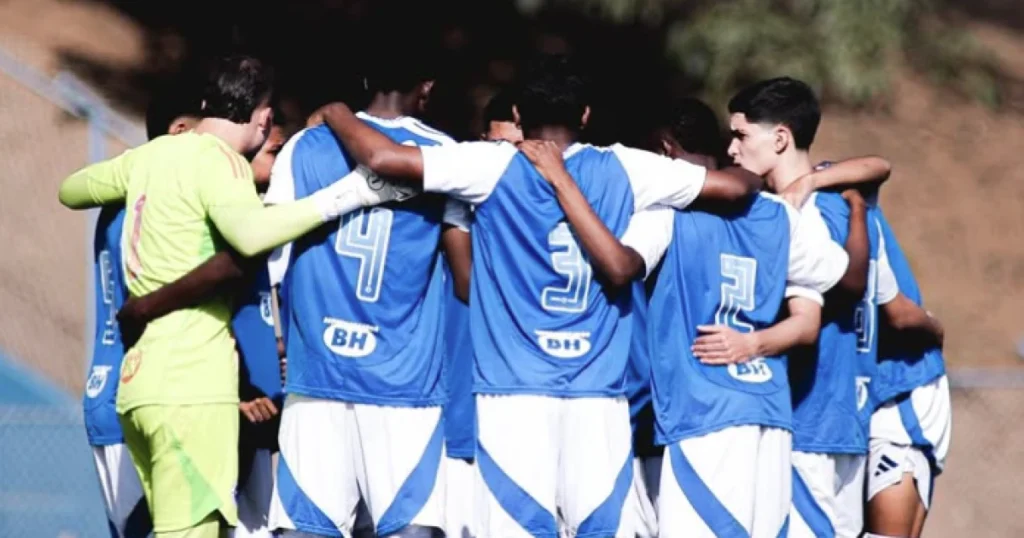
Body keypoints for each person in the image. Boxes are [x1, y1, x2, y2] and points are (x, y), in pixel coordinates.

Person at [320, 53, 761, 537]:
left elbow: (383, 157)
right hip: (597, 393)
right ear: (586, 115)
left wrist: (336, 110)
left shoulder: (487, 163)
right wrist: (779, 170)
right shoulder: (629, 167)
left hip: (513, 393)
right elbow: (735, 189)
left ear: (515, 118)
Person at [59, 55, 392, 538]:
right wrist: (346, 196)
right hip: (192, 386)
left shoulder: (151, 156)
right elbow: (251, 235)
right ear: (263, 118)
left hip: (138, 388)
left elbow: (72, 189)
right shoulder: (223, 162)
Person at [264, 39, 464, 538]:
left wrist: (274, 343)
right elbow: (466, 274)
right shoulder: (442, 155)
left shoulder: (304, 146)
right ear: (427, 86)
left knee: (303, 531)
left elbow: (270, 261)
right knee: (413, 531)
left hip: (316, 377)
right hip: (405, 385)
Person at [726, 77, 887, 538]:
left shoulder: (798, 214)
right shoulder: (850, 200)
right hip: (849, 418)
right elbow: (880, 165)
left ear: (780, 137)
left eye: (741, 135)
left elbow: (821, 307)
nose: (732, 149)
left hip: (808, 420)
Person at [84, 87, 201, 538]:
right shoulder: (151, 202)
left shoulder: (124, 191)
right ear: (180, 131)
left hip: (111, 389)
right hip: (132, 394)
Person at [231, 117, 291, 538]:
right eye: (274, 152)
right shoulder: (225, 219)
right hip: (227, 413)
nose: (283, 163)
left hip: (269, 418)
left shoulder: (274, 217)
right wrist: (229, 391)